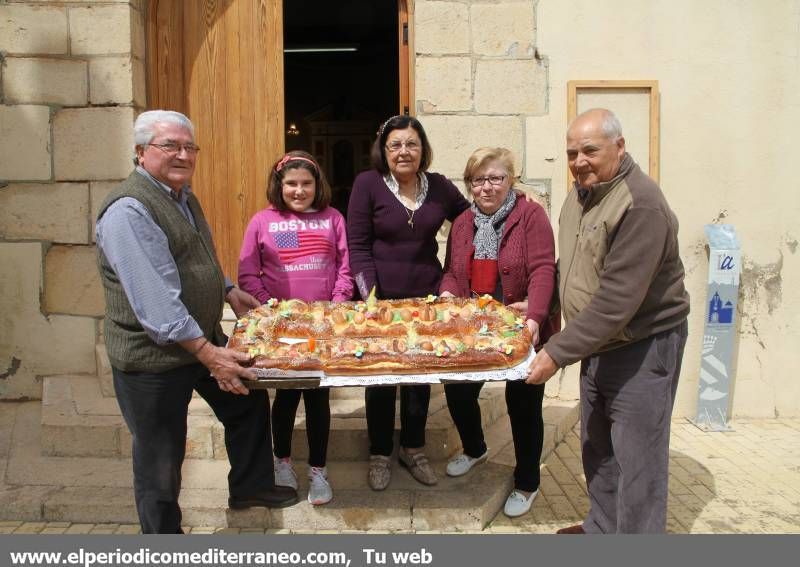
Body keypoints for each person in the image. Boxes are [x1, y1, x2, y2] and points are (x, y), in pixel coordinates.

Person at [95, 110, 298, 534]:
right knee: (160, 457)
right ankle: (163, 539)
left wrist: (227, 288)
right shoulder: (129, 211)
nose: (183, 155)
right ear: (140, 152)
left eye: (189, 147)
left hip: (198, 339)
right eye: (170, 145)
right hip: (152, 357)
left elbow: (194, 254)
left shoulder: (182, 195)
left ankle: (251, 486)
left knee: (246, 400)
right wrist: (211, 355)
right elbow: (157, 302)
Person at [527, 108, 690, 534]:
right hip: (597, 344)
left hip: (641, 344)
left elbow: (618, 300)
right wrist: (535, 307)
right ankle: (602, 528)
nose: (579, 161)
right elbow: (573, 267)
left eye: (589, 150)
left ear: (619, 147)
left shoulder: (640, 205)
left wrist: (555, 353)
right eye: (571, 152)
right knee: (597, 445)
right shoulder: (581, 194)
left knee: (638, 457)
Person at [346, 115, 471, 490]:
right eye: (395, 145)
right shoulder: (367, 184)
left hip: (427, 296)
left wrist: (510, 204)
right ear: (383, 151)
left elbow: (470, 217)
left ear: (423, 149)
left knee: (419, 376)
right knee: (382, 378)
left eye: (411, 144)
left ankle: (413, 448)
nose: (404, 151)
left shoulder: (439, 187)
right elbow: (358, 245)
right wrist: (370, 296)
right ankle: (380, 452)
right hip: (379, 300)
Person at [439, 147, 558, 518]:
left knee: (523, 405)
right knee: (458, 392)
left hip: (519, 324)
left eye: (496, 178)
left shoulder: (530, 215)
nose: (487, 187)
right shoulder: (461, 222)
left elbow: (542, 269)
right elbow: (453, 271)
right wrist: (447, 293)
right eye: (479, 179)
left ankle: (527, 482)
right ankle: (475, 448)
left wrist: (536, 316)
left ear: (511, 180)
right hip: (474, 327)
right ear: (470, 183)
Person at [238, 150, 353, 506]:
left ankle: (318, 469)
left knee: (318, 398)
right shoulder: (262, 221)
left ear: (317, 185)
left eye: (306, 183)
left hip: (321, 326)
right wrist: (272, 308)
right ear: (280, 185)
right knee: (286, 397)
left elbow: (345, 267)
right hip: (281, 328)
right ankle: (282, 462)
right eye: (292, 183)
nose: (299, 190)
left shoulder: (333, 218)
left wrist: (335, 305)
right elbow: (247, 274)